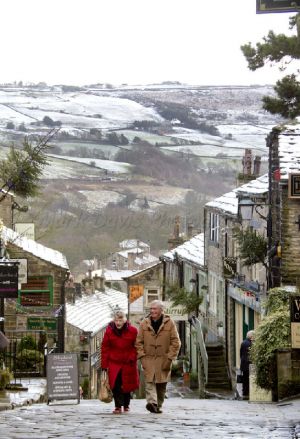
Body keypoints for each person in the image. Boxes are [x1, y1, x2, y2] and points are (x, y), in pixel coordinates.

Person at [135, 300, 181, 414]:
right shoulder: (144, 323)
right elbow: (138, 342)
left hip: (164, 358)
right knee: (149, 382)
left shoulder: (170, 323)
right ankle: (152, 403)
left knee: (161, 384)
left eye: (155, 309)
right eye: (151, 309)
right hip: (148, 358)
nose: (152, 311)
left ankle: (158, 405)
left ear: (161, 310)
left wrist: (170, 357)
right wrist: (142, 357)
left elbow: (176, 342)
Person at [101, 310, 139, 414]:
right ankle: (118, 406)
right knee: (115, 385)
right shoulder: (109, 331)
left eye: (120, 320)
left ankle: (126, 405)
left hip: (128, 362)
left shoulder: (133, 331)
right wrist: (104, 364)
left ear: (124, 320)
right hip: (114, 362)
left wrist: (132, 357)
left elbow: (137, 346)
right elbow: (105, 348)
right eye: (116, 320)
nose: (118, 323)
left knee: (127, 384)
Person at [240, 330, 254, 400]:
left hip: (243, 363)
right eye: (253, 336)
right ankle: (248, 391)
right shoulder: (251, 343)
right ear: (251, 336)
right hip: (249, 363)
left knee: (244, 378)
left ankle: (244, 392)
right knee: (249, 378)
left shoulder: (243, 342)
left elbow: (241, 354)